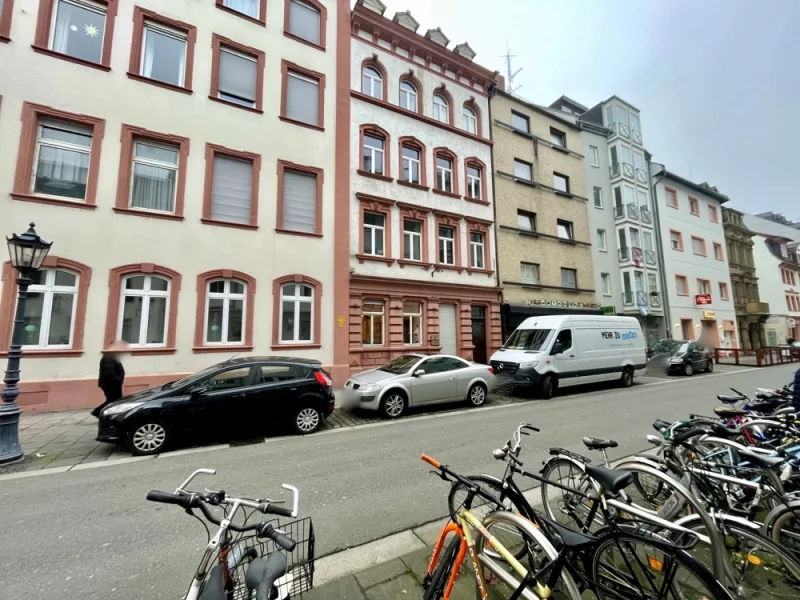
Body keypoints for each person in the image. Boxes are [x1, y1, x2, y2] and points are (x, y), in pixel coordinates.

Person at [92, 340, 128, 417]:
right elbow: (109, 373)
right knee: (113, 400)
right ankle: (98, 412)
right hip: (110, 384)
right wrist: (118, 380)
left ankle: (102, 413)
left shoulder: (112, 356)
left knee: (113, 400)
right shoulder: (109, 357)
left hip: (112, 383)